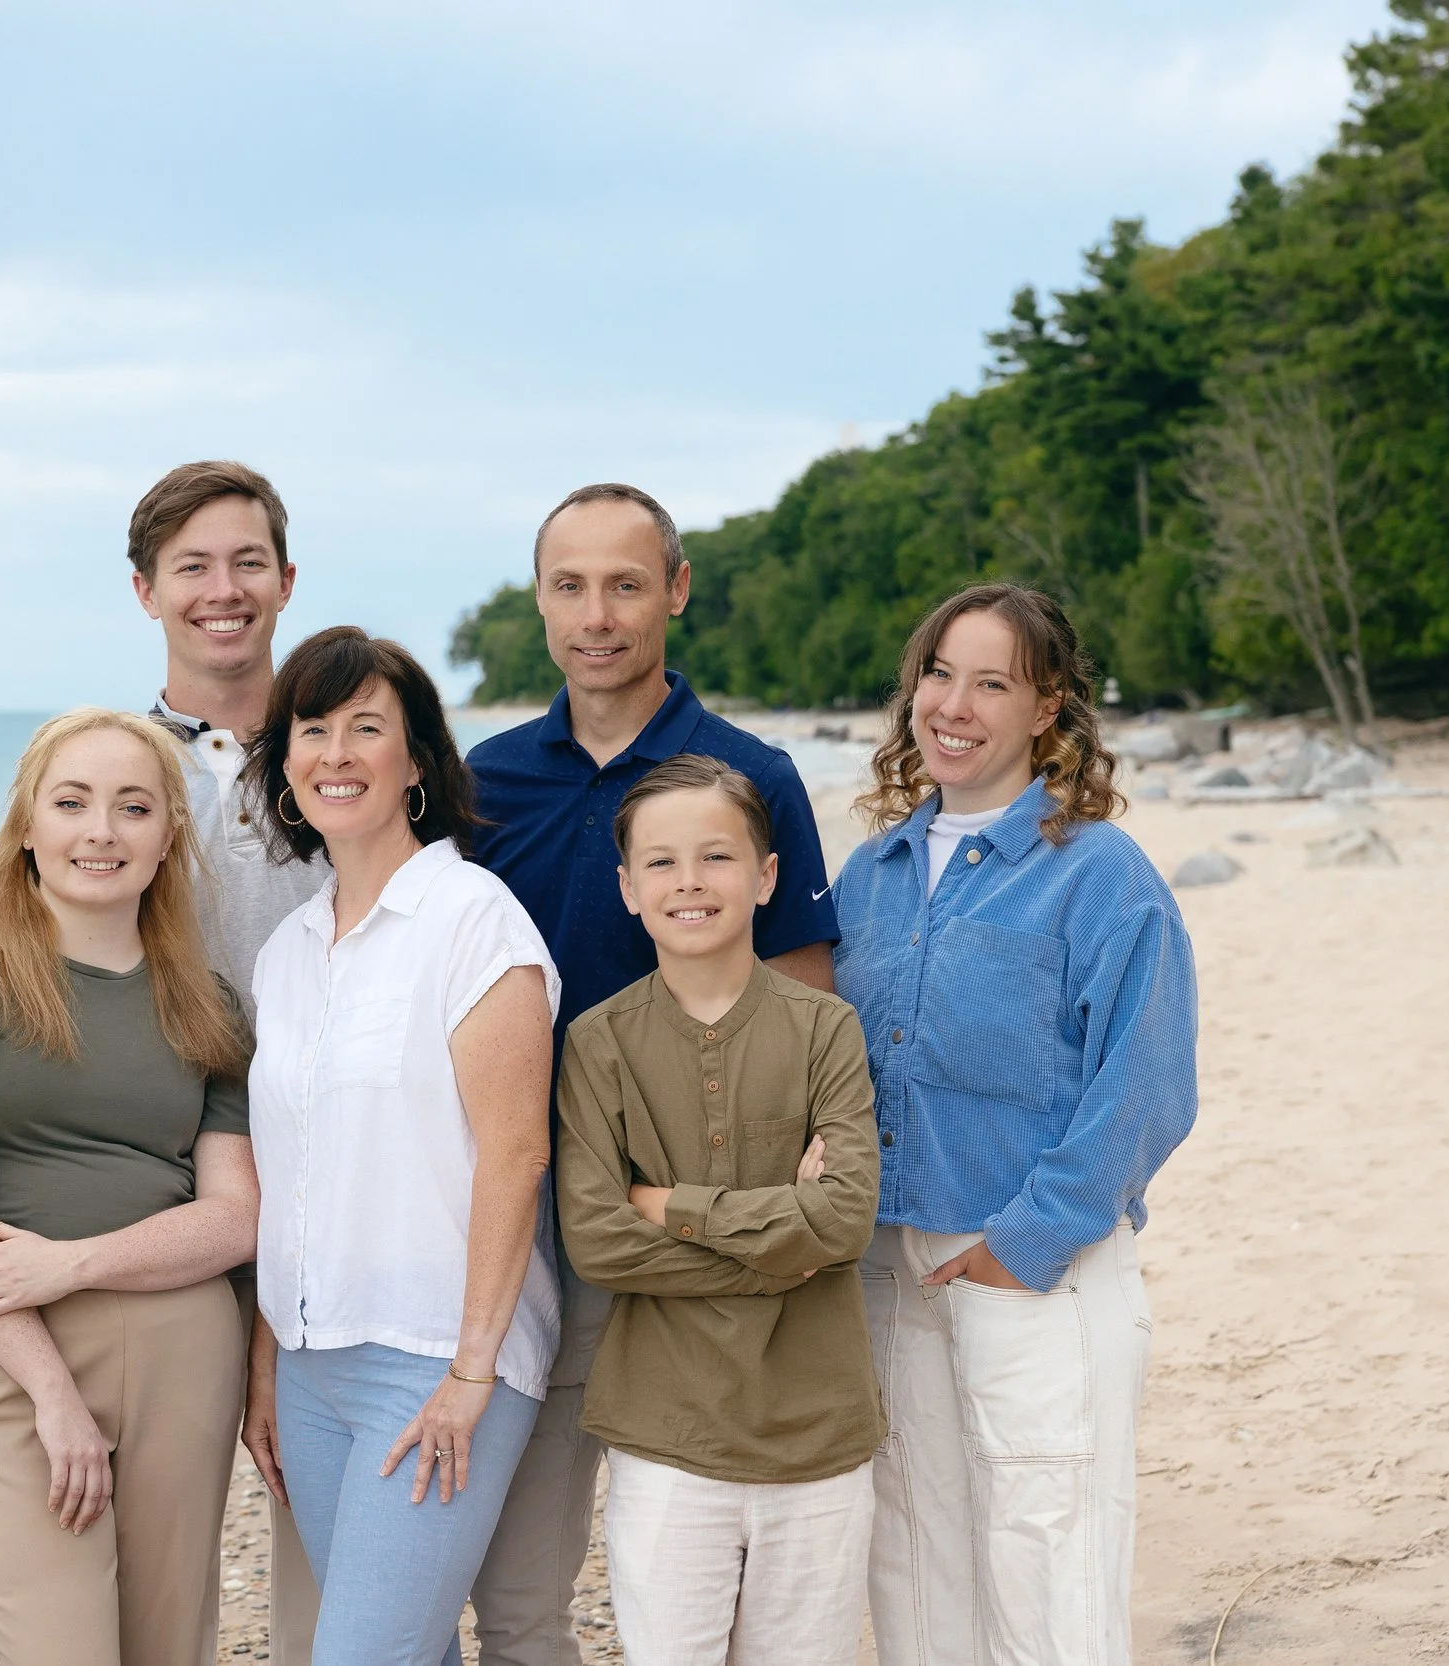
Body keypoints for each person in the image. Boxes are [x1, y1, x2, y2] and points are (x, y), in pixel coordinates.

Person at [462, 482, 842, 1664]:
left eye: (626, 583)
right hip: (528, 1217)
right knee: (522, 1584)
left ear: (674, 591)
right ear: (539, 601)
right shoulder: (483, 780)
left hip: (705, 1236)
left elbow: (807, 1000)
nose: (598, 614)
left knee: (717, 1558)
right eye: (569, 585)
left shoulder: (748, 773)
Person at [833, 584, 1196, 1666]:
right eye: (939, 673)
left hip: (1036, 1265)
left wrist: (1026, 1241)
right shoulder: (869, 875)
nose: (954, 703)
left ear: (1047, 708)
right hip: (887, 1269)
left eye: (992, 681)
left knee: (1047, 1558)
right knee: (911, 1551)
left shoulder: (1099, 873)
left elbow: (1147, 1081)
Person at [0, 708, 260, 1666]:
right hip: (9, 1350)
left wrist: (76, 1263)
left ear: (169, 833)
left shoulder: (205, 999)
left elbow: (235, 1216)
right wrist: (52, 1393)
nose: (102, 830)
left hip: (184, 1349)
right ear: (27, 827)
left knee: (169, 1647)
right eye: (73, 802)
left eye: (134, 807)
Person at [242, 626, 561, 1666]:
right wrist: (265, 1363)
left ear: (415, 760)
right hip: (309, 1363)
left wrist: (471, 1371)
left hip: (434, 1356)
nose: (336, 752)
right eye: (313, 729)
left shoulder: (473, 918)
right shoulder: (286, 952)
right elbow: (285, 1179)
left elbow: (516, 1155)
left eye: (365, 728)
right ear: (284, 767)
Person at [556, 755, 883, 1666]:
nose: (690, 883)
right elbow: (597, 1242)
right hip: (666, 1435)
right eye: (660, 863)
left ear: (767, 876)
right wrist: (785, 1237)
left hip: (819, 1432)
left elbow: (846, 1221)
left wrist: (668, 1206)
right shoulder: (597, 1043)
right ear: (627, 888)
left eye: (717, 857)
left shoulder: (827, 1030)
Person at [125, 459, 331, 1663]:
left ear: (286, 580)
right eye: (192, 566)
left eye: (247, 561)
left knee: (322, 1532)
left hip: (330, 1186)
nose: (223, 589)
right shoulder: (113, 766)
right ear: (146, 590)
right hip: (167, 1192)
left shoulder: (344, 756)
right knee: (164, 1545)